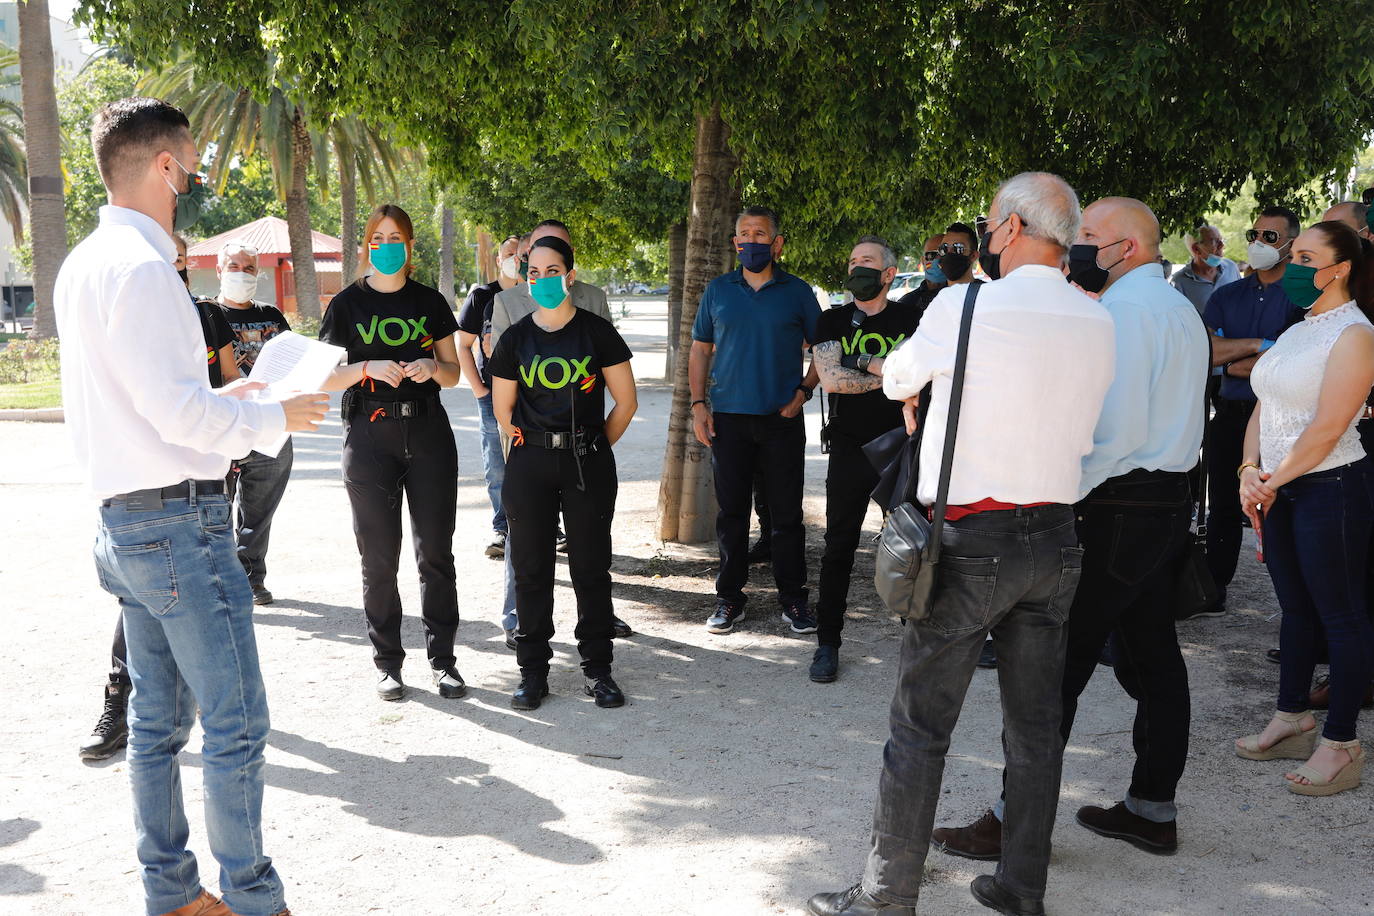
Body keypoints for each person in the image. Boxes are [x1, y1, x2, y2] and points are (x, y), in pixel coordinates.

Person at [808, 172, 1115, 916]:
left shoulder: (964, 303)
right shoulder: (1096, 317)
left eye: (986, 223)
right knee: (1036, 730)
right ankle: (1021, 888)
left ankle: (888, 898)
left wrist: (918, 386)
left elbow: (899, 377)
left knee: (920, 727)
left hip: (972, 534)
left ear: (1008, 228)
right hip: (1056, 536)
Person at [58, 95, 324, 916]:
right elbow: (177, 415)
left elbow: (157, 400)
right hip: (177, 524)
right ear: (166, 166)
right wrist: (273, 414)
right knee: (237, 722)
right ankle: (251, 899)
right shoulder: (142, 269)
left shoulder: (86, 262)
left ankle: (174, 896)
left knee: (155, 728)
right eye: (194, 165)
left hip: (130, 521)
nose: (196, 182)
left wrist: (240, 393)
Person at [931, 197, 1209, 868]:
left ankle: (1012, 824)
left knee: (1056, 671)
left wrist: (1051, 495)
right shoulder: (1177, 308)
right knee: (1153, 656)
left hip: (1119, 507)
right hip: (1165, 504)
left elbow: (1108, 436)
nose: (1077, 245)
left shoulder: (1126, 315)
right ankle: (1151, 809)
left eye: (1088, 236)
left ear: (1128, 249)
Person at [77, 232, 239, 763]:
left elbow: (228, 381)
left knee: (196, 594)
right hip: (147, 488)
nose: (175, 261)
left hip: (210, 470)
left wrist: (240, 423)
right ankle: (117, 698)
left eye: (181, 254)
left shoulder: (207, 315)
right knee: (144, 600)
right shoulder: (133, 296)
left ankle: (187, 701)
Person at [1233, 220, 1374, 797]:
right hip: (1281, 485)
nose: (1293, 265)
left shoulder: (1354, 333)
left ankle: (1341, 743)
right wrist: (1248, 471)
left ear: (1339, 268)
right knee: (1294, 609)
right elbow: (1262, 407)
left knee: (1340, 615)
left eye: (1306, 256)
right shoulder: (1301, 327)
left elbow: (1328, 427)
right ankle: (1292, 716)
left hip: (1331, 485)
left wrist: (1271, 481)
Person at [319, 204, 467, 702]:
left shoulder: (430, 302)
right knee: (379, 559)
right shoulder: (345, 305)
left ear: (409, 245)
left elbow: (454, 372)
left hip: (427, 434)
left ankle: (443, 661)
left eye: (396, 237)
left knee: (435, 555)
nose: (387, 246)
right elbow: (326, 375)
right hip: (369, 438)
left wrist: (431, 366)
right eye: (378, 238)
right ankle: (388, 664)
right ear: (367, 245)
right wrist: (367, 368)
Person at [489, 235, 638, 710]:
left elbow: (626, 402)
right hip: (530, 463)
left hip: (586, 461)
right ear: (525, 277)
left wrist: (591, 446)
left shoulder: (596, 332)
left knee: (591, 571)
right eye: (534, 272)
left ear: (570, 276)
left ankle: (598, 670)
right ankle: (533, 672)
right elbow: (503, 412)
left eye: (553, 271)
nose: (543, 280)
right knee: (531, 571)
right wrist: (532, 454)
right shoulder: (514, 338)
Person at [690, 205, 822, 636]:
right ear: (735, 243)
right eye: (744, 233)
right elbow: (699, 350)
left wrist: (803, 393)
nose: (751, 241)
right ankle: (729, 598)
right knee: (731, 514)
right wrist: (698, 404)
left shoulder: (799, 292)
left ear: (777, 243)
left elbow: (824, 351)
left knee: (786, 516)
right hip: (728, 419)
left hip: (781, 420)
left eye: (760, 234)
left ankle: (794, 600)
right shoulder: (718, 291)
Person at [808, 236, 921, 683]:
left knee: (912, 544)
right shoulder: (831, 319)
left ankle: (919, 635)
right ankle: (827, 643)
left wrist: (864, 362)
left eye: (867, 262)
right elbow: (832, 380)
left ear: (889, 273)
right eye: (853, 260)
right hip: (850, 449)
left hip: (902, 447)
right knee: (838, 547)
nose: (857, 268)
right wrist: (891, 372)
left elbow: (923, 380)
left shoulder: (912, 317)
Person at [1201, 207, 1305, 617]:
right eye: (1255, 234)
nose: (1259, 243)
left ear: (1291, 245)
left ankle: (1296, 607)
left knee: (1283, 508)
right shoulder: (1226, 295)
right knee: (1224, 506)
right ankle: (1213, 588)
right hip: (1229, 414)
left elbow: (1291, 361)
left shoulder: (1301, 298)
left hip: (1280, 419)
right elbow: (1209, 354)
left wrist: (1236, 353)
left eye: (1271, 237)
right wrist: (1264, 345)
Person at [215, 241, 294, 606]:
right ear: (219, 270)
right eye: (233, 266)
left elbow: (292, 360)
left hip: (271, 425)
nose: (241, 273)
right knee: (216, 506)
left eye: (248, 268)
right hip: (223, 424)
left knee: (259, 512)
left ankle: (251, 578)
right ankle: (219, 579)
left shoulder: (273, 316)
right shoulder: (205, 314)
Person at [458, 233, 521, 560]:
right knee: (496, 464)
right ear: (498, 260)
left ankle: (548, 526)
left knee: (535, 463)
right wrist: (479, 389)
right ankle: (502, 527)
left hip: (531, 397)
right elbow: (463, 345)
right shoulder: (482, 296)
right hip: (491, 395)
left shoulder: (534, 295)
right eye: (509, 254)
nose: (515, 259)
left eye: (520, 254)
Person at [1171, 223, 1241, 315]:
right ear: (1196, 249)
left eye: (1221, 240)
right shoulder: (1179, 282)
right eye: (1214, 241)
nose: (1221, 245)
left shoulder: (1231, 267)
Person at [894, 232, 945, 317]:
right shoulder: (906, 303)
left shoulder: (962, 298)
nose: (937, 259)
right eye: (931, 255)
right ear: (922, 261)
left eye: (943, 254)